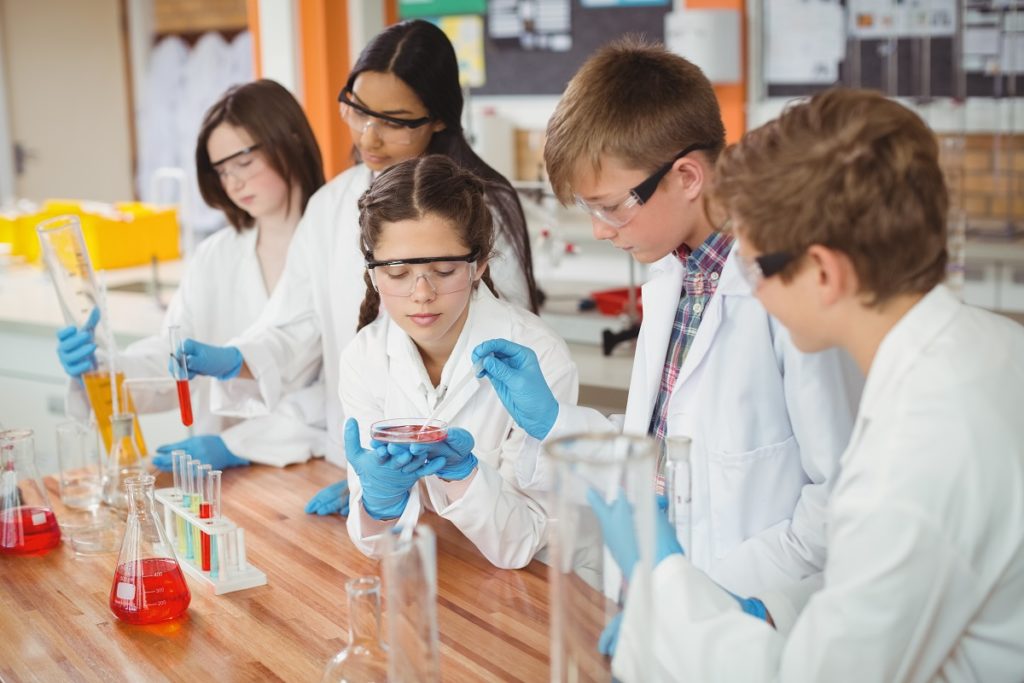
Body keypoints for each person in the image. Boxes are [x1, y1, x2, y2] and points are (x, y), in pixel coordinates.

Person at [601, 88, 1024, 682]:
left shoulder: (922, 446)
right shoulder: (986, 347)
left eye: (756, 267)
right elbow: (884, 589)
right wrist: (767, 611)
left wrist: (671, 585)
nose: (750, 286)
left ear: (824, 272)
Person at [473, 37, 863, 639]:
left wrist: (714, 599)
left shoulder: (789, 295)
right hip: (660, 610)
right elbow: (662, 460)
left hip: (751, 621)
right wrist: (558, 423)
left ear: (686, 176)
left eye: (612, 207)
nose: (601, 231)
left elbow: (840, 496)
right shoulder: (673, 276)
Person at [181, 20, 541, 516]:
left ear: (438, 120)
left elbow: (493, 369)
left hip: (465, 486)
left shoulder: (481, 205)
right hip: (356, 465)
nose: (368, 137)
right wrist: (237, 357)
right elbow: (300, 324)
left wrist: (414, 482)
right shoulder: (332, 203)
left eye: (394, 121)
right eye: (357, 110)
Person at [56, 79, 328, 470]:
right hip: (218, 477)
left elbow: (340, 387)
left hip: (313, 468)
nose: (233, 182)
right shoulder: (216, 256)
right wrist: (102, 367)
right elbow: (171, 361)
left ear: (290, 140)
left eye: (244, 162)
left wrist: (240, 444)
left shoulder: (338, 245)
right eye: (221, 171)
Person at [327, 154, 576, 568]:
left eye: (443, 270)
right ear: (372, 273)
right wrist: (378, 503)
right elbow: (377, 546)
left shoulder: (539, 357)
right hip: (430, 578)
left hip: (525, 593)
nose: (422, 294)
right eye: (398, 272)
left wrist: (465, 476)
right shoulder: (364, 358)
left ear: (478, 264)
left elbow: (525, 542)